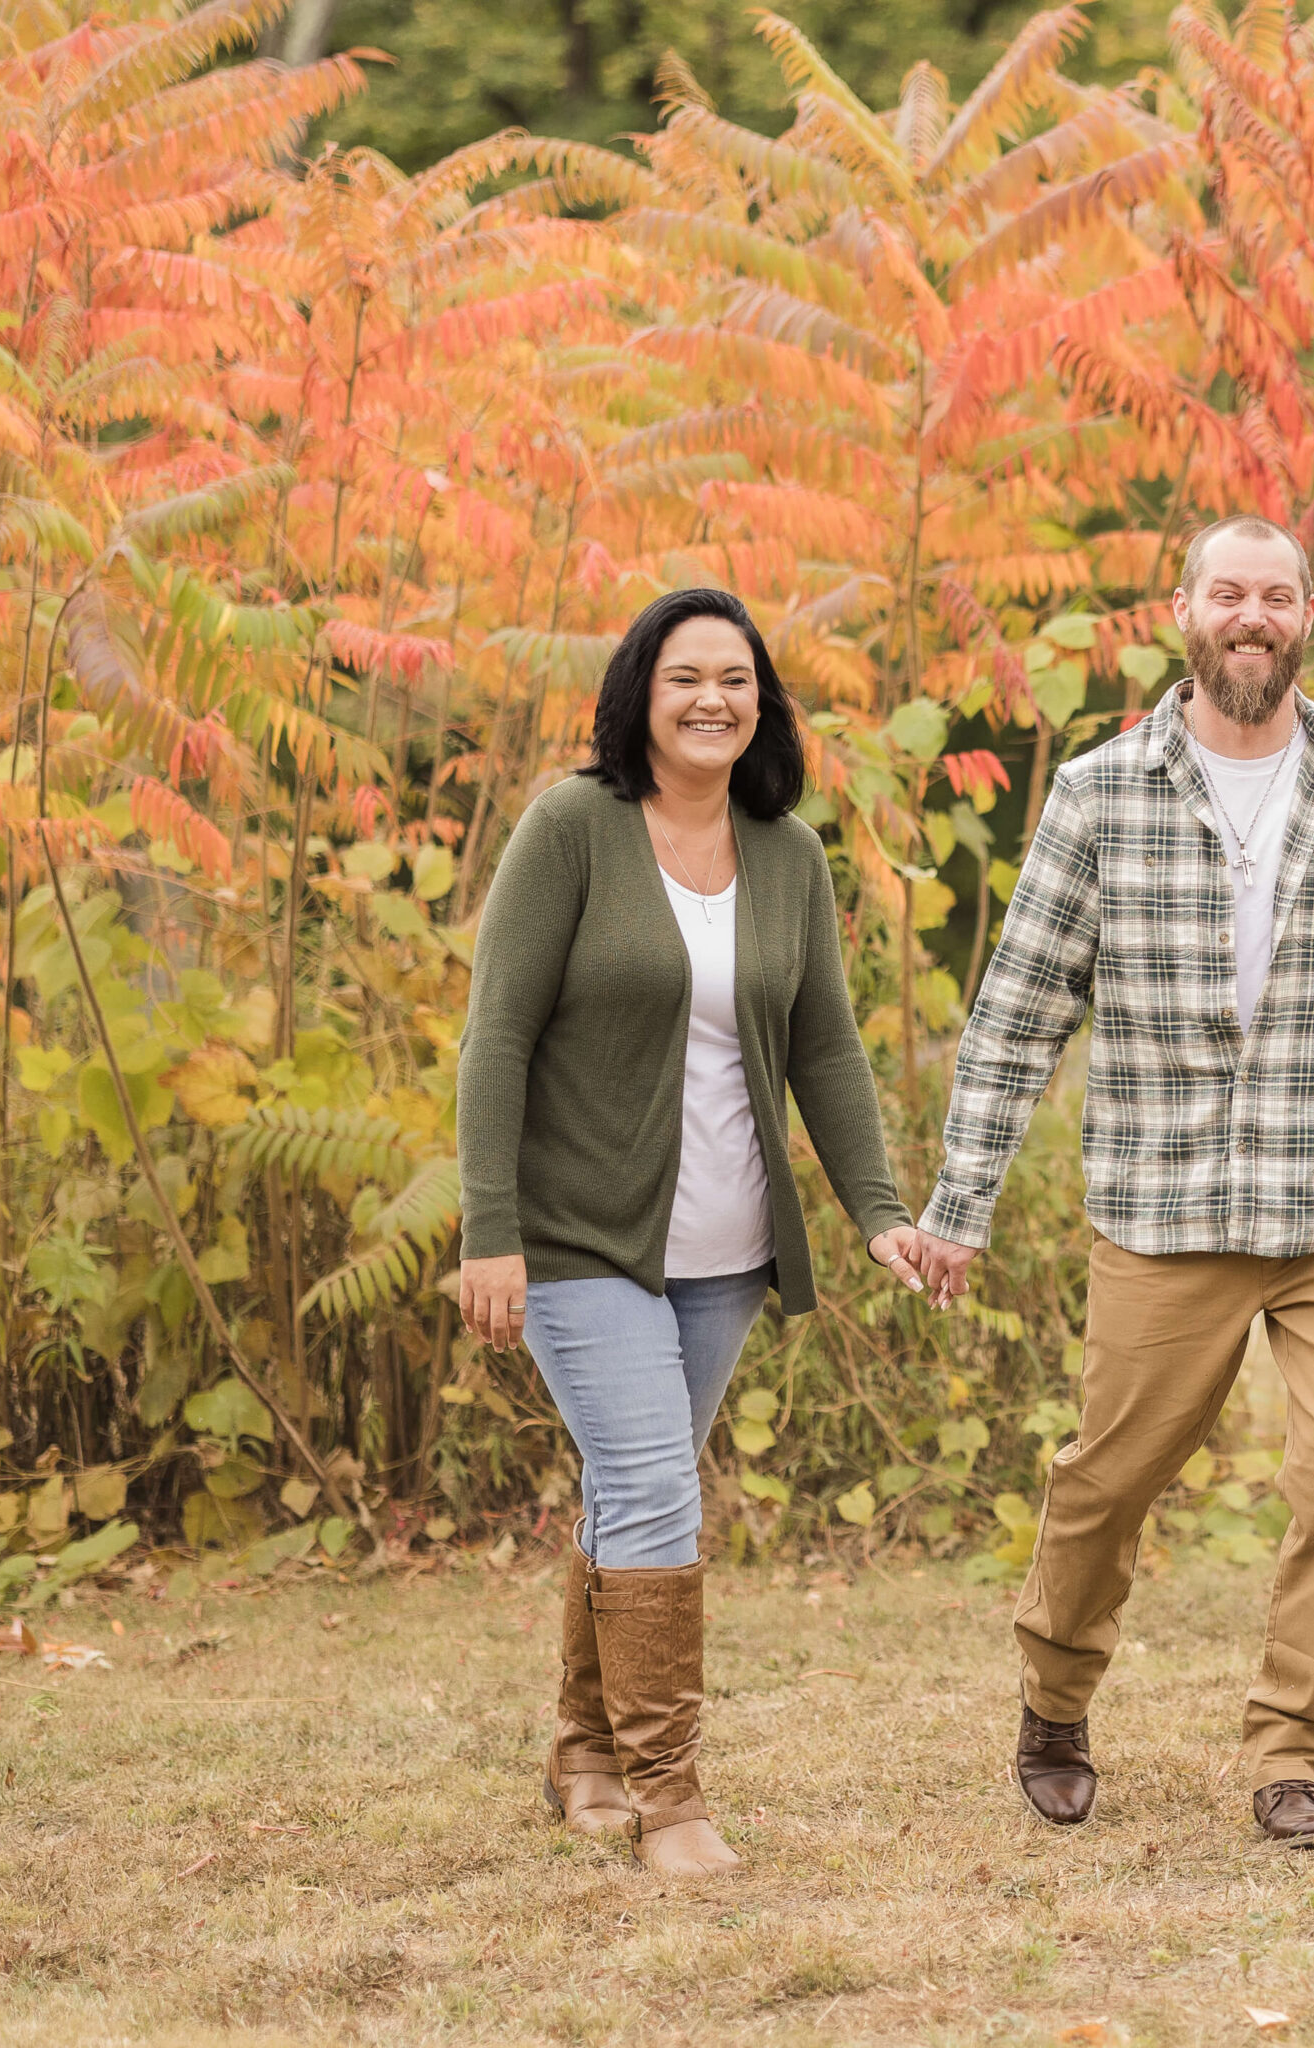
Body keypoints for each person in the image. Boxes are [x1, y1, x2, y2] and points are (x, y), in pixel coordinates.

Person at [913, 516, 1314, 1845]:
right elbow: (1017, 1015)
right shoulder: (1100, 792)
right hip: (1165, 1205)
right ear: (1182, 613)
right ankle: (1056, 1699)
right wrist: (964, 1201)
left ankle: (1293, 1754)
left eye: (1276, 595)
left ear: (1307, 618)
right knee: (1110, 1481)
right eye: (1227, 592)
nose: (1253, 614)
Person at [458, 587, 924, 1878]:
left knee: (632, 1489)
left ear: (762, 702)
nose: (713, 698)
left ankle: (584, 1751)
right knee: (661, 1489)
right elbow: (496, 1035)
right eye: (685, 678)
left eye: (737, 677)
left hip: (727, 1251)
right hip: (577, 1239)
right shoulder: (574, 829)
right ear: (638, 698)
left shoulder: (788, 857)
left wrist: (878, 1214)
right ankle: (670, 1799)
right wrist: (491, 1231)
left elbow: (825, 1050)